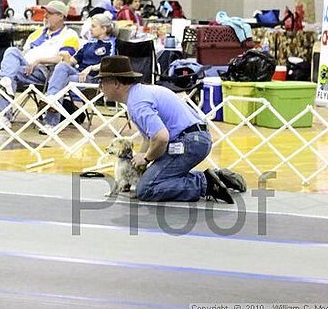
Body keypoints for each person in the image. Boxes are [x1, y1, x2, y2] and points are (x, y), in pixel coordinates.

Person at [97, 55, 247, 203]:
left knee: (147, 188)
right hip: (194, 138)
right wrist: (141, 159)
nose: (100, 87)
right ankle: (218, 178)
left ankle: (206, 184)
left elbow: (161, 137)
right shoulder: (140, 94)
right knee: (152, 177)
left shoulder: (137, 104)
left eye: (102, 82)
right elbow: (149, 139)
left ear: (116, 83)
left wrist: (146, 158)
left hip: (188, 142)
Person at [0, 0, 79, 130]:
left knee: (11, 71)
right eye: (45, 13)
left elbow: (65, 59)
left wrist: (39, 60)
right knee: (11, 53)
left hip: (46, 71)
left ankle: (6, 82)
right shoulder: (37, 33)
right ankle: (3, 114)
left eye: (50, 13)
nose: (45, 16)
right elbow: (23, 53)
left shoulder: (70, 35)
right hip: (27, 68)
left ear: (61, 16)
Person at [40, 13, 117, 132]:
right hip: (78, 74)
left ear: (104, 29)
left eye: (94, 26)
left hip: (93, 78)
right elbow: (73, 61)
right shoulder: (89, 43)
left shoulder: (110, 44)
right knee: (61, 66)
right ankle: (52, 101)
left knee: (60, 83)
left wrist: (91, 68)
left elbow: (110, 63)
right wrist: (65, 57)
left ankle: (51, 121)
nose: (90, 29)